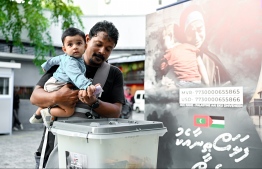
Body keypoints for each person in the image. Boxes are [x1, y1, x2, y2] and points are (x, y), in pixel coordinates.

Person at [30, 20, 125, 168]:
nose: (102, 51)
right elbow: (35, 97)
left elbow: (116, 112)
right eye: (98, 44)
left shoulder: (114, 74)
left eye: (108, 48)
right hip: (53, 148)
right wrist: (58, 97)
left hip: (90, 154)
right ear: (87, 39)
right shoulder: (64, 61)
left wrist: (94, 103)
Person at [29, 27, 102, 127]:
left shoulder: (64, 57)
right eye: (70, 44)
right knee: (69, 111)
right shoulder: (71, 62)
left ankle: (37, 115)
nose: (75, 47)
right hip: (57, 85)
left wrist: (45, 66)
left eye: (79, 43)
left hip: (53, 83)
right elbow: (76, 76)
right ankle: (48, 112)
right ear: (64, 49)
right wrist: (87, 85)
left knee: (62, 99)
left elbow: (53, 60)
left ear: (85, 46)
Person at [160, 4, 231, 87]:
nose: (196, 37)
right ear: (184, 33)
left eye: (200, 29)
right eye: (190, 32)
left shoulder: (213, 61)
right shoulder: (174, 55)